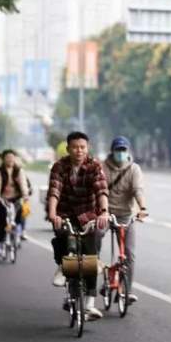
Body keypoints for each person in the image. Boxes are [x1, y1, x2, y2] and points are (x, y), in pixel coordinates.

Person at [47, 132, 109, 321]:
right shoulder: (60, 166)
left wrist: (104, 211)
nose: (79, 150)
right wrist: (52, 213)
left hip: (88, 214)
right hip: (65, 213)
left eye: (82, 147)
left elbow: (101, 189)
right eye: (75, 147)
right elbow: (54, 191)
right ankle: (62, 266)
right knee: (62, 236)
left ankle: (89, 304)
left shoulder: (94, 165)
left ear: (87, 148)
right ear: (68, 149)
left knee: (90, 258)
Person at [101, 136, 148, 304]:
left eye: (123, 150)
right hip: (104, 213)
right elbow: (100, 191)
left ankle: (126, 291)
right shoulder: (102, 167)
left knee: (129, 253)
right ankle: (96, 274)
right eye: (117, 150)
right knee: (94, 239)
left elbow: (138, 190)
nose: (120, 153)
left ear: (128, 151)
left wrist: (142, 208)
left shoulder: (134, 169)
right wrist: (103, 212)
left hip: (126, 215)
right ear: (112, 151)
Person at [0, 149, 29, 258]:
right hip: (1, 199)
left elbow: (23, 183)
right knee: (1, 221)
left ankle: (17, 230)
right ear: (3, 159)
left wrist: (25, 195)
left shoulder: (19, 171)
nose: (10, 160)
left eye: (12, 157)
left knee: (19, 214)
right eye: (8, 157)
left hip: (15, 198)